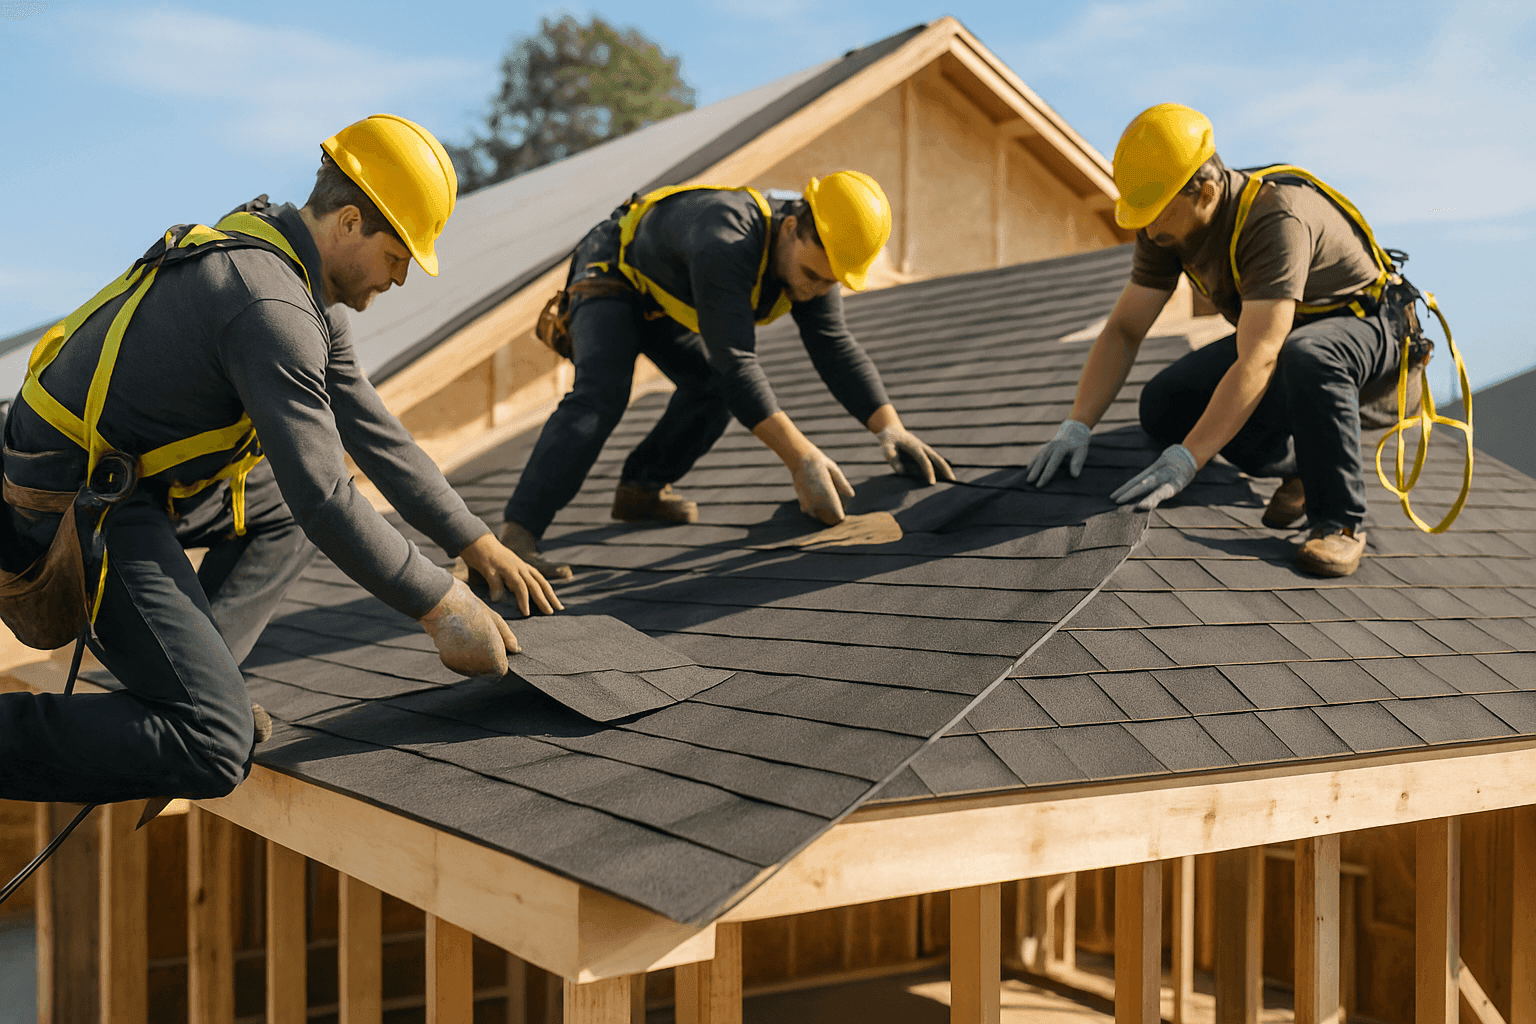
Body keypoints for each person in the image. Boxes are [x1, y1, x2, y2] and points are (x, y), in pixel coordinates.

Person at [0, 115, 559, 806]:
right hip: (77, 497)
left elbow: (375, 434)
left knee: (281, 516)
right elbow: (325, 498)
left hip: (130, 480)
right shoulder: (270, 305)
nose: (402, 278)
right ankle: (200, 713)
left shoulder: (290, 280)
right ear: (350, 222)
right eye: (398, 255)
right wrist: (441, 606)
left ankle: (201, 689)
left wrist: (475, 542)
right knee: (213, 744)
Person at [500, 174, 954, 581]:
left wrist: (890, 429)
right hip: (614, 269)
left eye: (829, 283)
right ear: (790, 228)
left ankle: (641, 489)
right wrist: (801, 459)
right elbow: (735, 361)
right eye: (811, 276)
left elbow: (834, 347)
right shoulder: (728, 239)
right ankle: (517, 535)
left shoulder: (818, 259)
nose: (814, 290)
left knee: (712, 389)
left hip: (665, 290)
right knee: (603, 394)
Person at [1028, 103, 1409, 578]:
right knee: (1166, 404)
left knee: (1307, 355)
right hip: (1284, 334)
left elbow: (1260, 357)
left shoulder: (1274, 218)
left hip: (1367, 330)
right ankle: (1306, 466)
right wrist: (1078, 422)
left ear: (1206, 192)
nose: (1149, 229)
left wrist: (1188, 460)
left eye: (1158, 215)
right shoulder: (1163, 224)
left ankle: (1339, 523)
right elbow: (1125, 329)